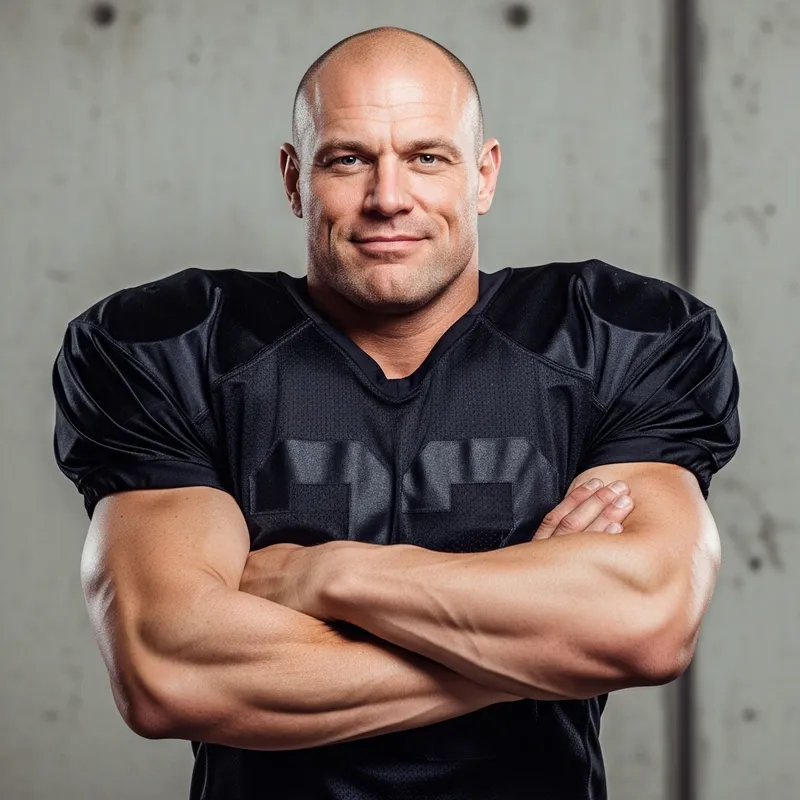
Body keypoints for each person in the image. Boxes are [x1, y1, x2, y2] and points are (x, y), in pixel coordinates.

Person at [51, 25, 740, 800]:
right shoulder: (173, 348)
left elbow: (644, 622)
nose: (388, 198)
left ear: (484, 175)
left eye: (427, 157)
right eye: (348, 159)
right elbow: (169, 672)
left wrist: (328, 574)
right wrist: (543, 652)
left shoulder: (619, 336)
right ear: (293, 178)